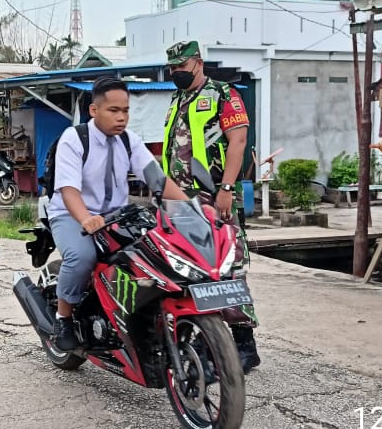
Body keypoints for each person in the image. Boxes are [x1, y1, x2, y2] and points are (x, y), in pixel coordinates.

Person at [49, 76, 187, 352]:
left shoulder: (130, 141)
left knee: (156, 252)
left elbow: (157, 180)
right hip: (71, 214)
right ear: (94, 110)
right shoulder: (74, 139)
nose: (121, 117)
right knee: (82, 256)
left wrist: (192, 207)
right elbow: (69, 191)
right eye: (114, 110)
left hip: (118, 215)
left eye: (125, 110)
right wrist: (86, 219)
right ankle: (62, 318)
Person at [162, 39, 261, 372]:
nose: (177, 73)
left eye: (182, 67)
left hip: (212, 194)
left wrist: (227, 189)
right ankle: (207, 338)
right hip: (178, 199)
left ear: (198, 62)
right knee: (191, 268)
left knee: (228, 265)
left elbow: (239, 141)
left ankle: (244, 344)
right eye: (172, 68)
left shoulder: (223, 94)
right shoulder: (178, 98)